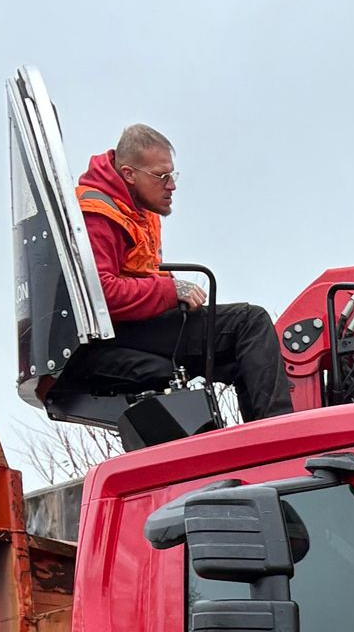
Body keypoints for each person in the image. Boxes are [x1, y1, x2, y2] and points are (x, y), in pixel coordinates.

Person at [76, 124, 294, 420]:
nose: (171, 185)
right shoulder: (98, 214)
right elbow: (101, 294)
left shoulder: (135, 208)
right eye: (161, 176)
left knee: (239, 359)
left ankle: (258, 446)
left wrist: (166, 287)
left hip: (134, 322)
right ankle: (281, 431)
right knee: (249, 322)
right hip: (114, 332)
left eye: (172, 175)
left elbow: (136, 271)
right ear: (128, 174)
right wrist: (170, 290)